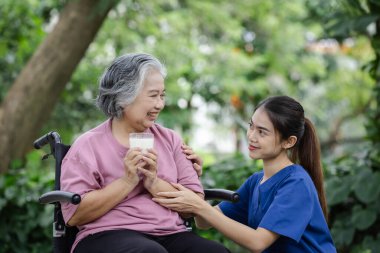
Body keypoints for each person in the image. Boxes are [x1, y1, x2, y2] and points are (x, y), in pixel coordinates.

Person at [60, 53, 230, 253]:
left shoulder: (171, 140)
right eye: (153, 95)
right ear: (123, 97)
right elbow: (74, 215)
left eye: (162, 95)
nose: (160, 104)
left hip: (170, 233)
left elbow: (194, 204)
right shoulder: (88, 145)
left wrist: (154, 182)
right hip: (106, 235)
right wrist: (127, 181)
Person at [154, 95, 337, 253]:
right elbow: (204, 222)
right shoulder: (256, 181)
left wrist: (200, 206)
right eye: (251, 126)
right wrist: (193, 180)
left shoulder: (296, 183)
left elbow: (258, 242)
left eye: (262, 132)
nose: (251, 136)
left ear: (288, 142)